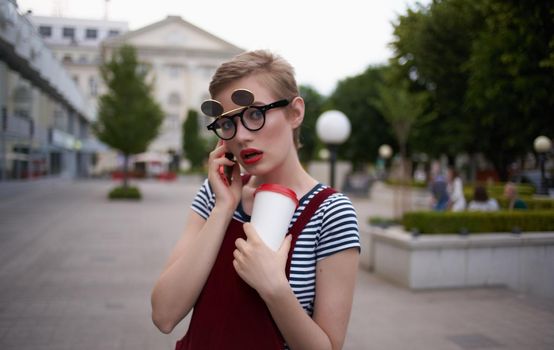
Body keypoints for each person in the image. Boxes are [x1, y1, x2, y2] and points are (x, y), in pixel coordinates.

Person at [151, 50, 360, 350]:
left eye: (254, 114)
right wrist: (223, 209)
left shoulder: (330, 212)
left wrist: (274, 287)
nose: (242, 136)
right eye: (227, 123)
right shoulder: (214, 193)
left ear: (295, 112)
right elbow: (164, 315)